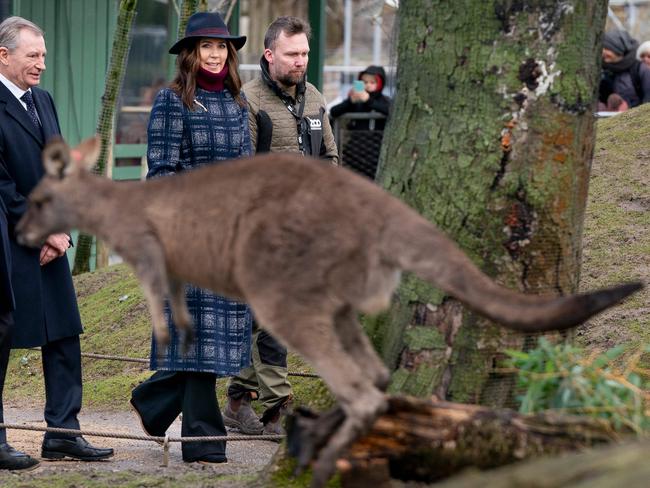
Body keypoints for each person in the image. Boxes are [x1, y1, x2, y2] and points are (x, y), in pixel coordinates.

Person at [129, 12, 253, 464]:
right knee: (201, 336)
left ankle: (155, 400)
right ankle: (204, 441)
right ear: (191, 54)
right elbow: (161, 173)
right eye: (206, 47)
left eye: (222, 47)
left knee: (219, 337)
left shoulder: (237, 104)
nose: (216, 55)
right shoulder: (172, 100)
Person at [0, 16, 113, 465]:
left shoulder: (43, 100)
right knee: (2, 338)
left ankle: (64, 431)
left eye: (44, 55)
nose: (42, 64)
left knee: (65, 333)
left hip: (53, 242)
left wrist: (62, 229)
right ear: (3, 55)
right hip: (10, 242)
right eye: (33, 55)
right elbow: (2, 182)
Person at [222, 16, 338, 437]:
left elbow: (330, 157)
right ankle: (275, 407)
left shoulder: (316, 100)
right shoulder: (247, 101)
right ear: (269, 54)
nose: (300, 61)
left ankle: (238, 400)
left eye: (305, 53)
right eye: (292, 54)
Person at [330, 65, 390, 178]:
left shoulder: (384, 100)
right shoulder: (356, 101)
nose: (368, 85)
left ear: (380, 83)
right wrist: (350, 102)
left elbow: (388, 110)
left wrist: (368, 100)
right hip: (356, 150)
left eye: (372, 82)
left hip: (376, 149)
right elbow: (334, 111)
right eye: (364, 81)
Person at [599, 29, 650, 108]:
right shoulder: (604, 71)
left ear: (618, 49)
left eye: (606, 48)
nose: (603, 52)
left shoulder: (639, 69)